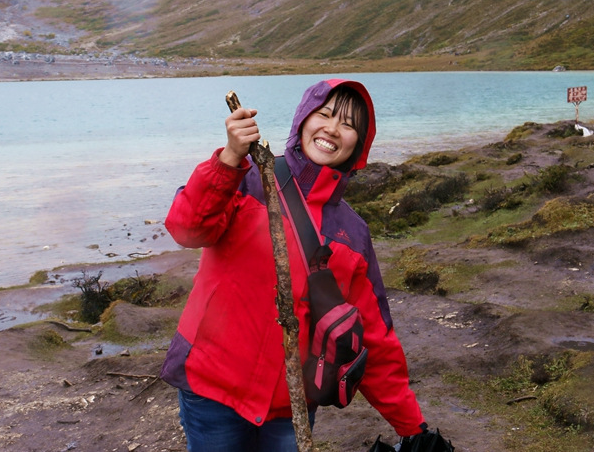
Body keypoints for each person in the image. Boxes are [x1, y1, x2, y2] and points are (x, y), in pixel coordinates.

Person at [160, 79, 430, 452]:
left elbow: (373, 338)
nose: (333, 129)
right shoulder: (248, 181)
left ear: (359, 145)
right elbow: (186, 228)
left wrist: (411, 426)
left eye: (349, 125)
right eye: (324, 114)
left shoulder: (352, 234)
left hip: (291, 408)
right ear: (303, 119)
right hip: (212, 390)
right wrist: (229, 159)